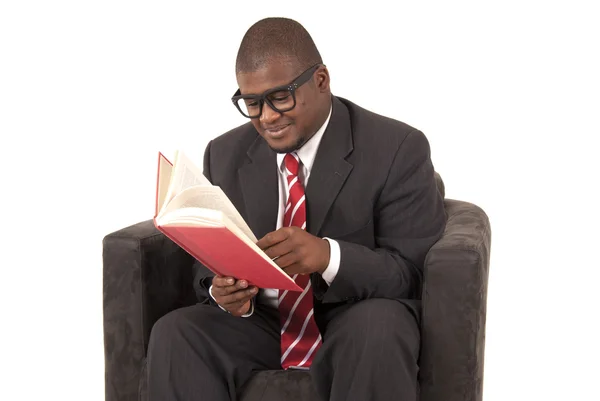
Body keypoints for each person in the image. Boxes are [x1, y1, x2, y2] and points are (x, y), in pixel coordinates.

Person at [146, 17, 446, 401]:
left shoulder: (398, 148)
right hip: (262, 323)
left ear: (320, 80)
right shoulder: (223, 154)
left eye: (280, 97)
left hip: (353, 317)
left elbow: (414, 275)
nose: (267, 117)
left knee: (380, 326)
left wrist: (327, 256)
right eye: (252, 103)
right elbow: (209, 256)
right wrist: (223, 292)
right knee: (176, 332)